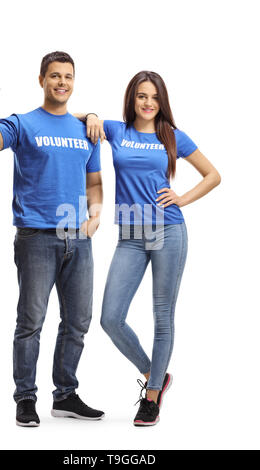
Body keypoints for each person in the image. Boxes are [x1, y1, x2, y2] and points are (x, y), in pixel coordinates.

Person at [0, 51, 105, 427]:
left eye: (68, 76)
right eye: (55, 76)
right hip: (36, 238)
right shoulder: (23, 124)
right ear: (41, 79)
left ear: (74, 82)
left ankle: (66, 396)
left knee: (78, 321)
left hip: (79, 238)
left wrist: (95, 215)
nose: (62, 82)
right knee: (31, 322)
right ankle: (25, 399)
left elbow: (94, 182)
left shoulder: (85, 129)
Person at [80, 70, 221, 427]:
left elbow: (213, 175)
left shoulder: (172, 136)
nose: (148, 103)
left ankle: (153, 395)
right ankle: (153, 371)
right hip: (129, 234)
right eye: (142, 96)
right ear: (132, 99)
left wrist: (182, 198)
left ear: (162, 102)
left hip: (168, 230)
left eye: (154, 97)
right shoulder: (116, 130)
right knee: (111, 318)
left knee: (163, 315)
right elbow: (76, 118)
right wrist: (93, 115)